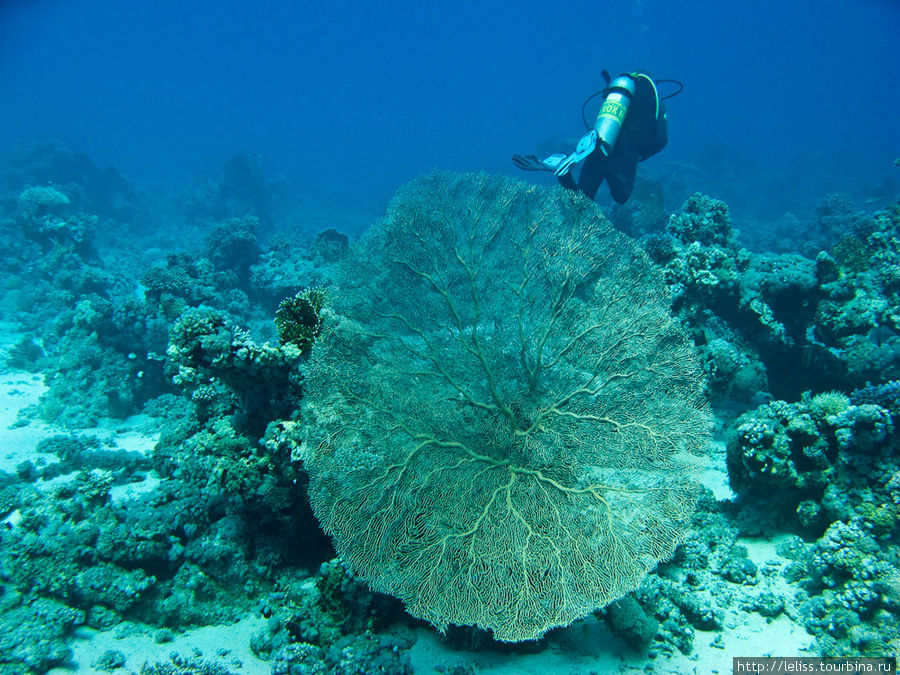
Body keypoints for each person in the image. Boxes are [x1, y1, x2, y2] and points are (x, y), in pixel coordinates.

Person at [513, 70, 671, 204]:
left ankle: (563, 172)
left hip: (598, 139)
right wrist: (638, 155)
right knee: (622, 196)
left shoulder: (621, 91)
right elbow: (661, 141)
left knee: (582, 200)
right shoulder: (654, 101)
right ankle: (609, 166)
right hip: (626, 145)